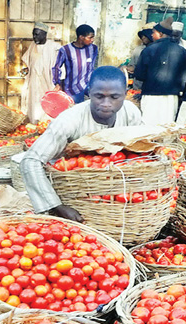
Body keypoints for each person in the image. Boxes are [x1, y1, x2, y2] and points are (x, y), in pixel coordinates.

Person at [21, 66, 143, 223]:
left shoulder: (131, 113)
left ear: (125, 94)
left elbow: (141, 151)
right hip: (75, 194)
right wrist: (57, 205)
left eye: (114, 97)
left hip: (118, 196)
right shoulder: (68, 121)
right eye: (99, 96)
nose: (106, 103)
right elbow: (31, 161)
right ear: (89, 92)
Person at [134, 17, 186, 126]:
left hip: (151, 95)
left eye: (154, 33)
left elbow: (140, 75)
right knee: (167, 127)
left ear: (161, 34)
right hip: (171, 96)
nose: (151, 35)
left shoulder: (149, 50)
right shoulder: (181, 51)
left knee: (148, 127)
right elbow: (184, 76)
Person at [21, 22, 61, 122]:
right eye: (33, 34)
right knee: (34, 105)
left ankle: (46, 127)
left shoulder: (54, 47)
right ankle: (33, 125)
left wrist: (59, 83)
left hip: (48, 82)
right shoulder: (32, 46)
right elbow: (29, 62)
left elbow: (61, 67)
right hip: (34, 82)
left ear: (45, 34)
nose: (34, 37)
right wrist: (26, 69)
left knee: (48, 105)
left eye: (37, 34)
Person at [52, 25, 98, 104]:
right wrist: (57, 83)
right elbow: (56, 67)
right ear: (81, 37)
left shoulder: (93, 49)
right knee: (75, 111)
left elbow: (92, 66)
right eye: (90, 37)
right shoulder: (65, 50)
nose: (92, 40)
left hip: (88, 86)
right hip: (72, 88)